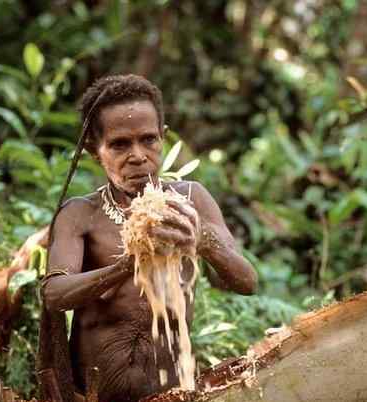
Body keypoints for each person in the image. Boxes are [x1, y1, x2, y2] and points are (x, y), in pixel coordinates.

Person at [41, 74, 258, 402]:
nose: (138, 156)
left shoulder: (192, 200)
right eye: (119, 144)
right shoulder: (80, 214)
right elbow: (54, 293)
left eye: (148, 140)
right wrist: (128, 264)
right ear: (93, 151)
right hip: (94, 395)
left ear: (163, 138)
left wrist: (200, 240)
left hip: (174, 393)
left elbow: (246, 282)